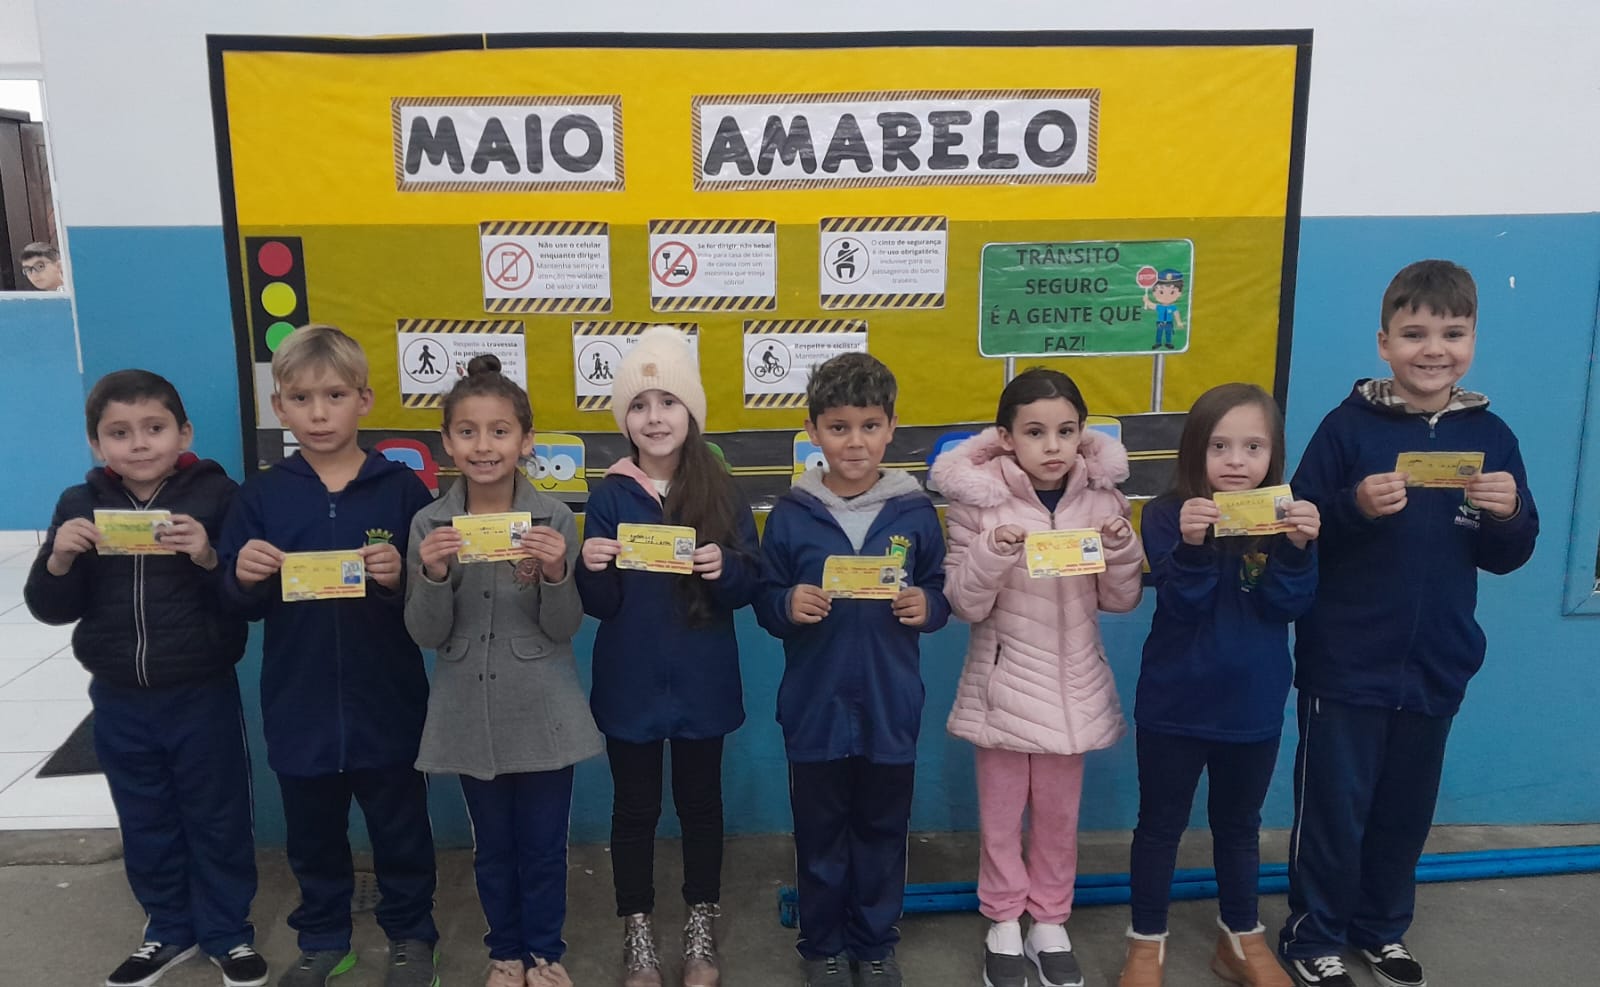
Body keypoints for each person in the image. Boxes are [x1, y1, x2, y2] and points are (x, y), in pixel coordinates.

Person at [1278, 261, 1538, 987]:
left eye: (1453, 333)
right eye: (1415, 332)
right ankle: (1312, 936)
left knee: (1405, 811)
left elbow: (1508, 555)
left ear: (1473, 340)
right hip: (1346, 662)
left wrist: (1510, 513)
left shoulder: (1493, 435)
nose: (1434, 348)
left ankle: (1382, 929)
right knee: (1333, 809)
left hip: (1437, 661)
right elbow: (1297, 526)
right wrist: (1353, 507)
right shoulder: (1345, 428)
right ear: (1384, 342)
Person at [24, 370, 266, 987]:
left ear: (183, 433)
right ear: (95, 443)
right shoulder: (78, 505)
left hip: (200, 691)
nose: (138, 443)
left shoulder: (219, 497)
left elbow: (247, 600)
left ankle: (228, 932)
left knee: (217, 815)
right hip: (118, 698)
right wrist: (59, 557)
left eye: (154, 428)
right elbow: (51, 608)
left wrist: (209, 555)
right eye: (119, 432)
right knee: (144, 816)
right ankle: (168, 928)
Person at [217, 325, 440, 987]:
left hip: (388, 700)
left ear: (363, 401)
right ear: (278, 408)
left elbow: (435, 602)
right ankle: (321, 938)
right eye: (301, 398)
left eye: (335, 395)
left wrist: (402, 576)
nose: (319, 413)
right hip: (299, 702)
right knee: (312, 834)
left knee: (402, 828)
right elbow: (236, 602)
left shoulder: (401, 490)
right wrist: (242, 576)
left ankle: (411, 936)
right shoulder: (261, 496)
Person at [930, 368, 1144, 987]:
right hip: (1002, 688)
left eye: (1066, 431)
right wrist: (993, 549)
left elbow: (1120, 599)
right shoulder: (977, 502)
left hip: (1072, 690)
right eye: (1035, 432)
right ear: (1006, 437)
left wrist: (1121, 547)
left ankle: (1049, 921)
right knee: (1000, 818)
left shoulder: (1103, 500)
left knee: (1057, 818)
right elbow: (964, 603)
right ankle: (1002, 919)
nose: (1053, 446)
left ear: (1083, 434)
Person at [404, 355, 603, 987]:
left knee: (543, 845)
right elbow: (425, 633)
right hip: (469, 710)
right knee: (492, 846)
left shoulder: (555, 519)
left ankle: (545, 952)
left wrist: (556, 572)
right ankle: (506, 952)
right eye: (467, 431)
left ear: (526, 440)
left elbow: (564, 628)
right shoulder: (429, 524)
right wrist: (433, 574)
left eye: (499, 431)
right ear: (447, 442)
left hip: (543, 709)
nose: (484, 446)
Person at [755, 352, 951, 987]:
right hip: (815, 708)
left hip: (890, 707)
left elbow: (938, 587)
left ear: (891, 428)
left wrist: (929, 606)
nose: (855, 442)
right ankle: (822, 948)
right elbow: (765, 596)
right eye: (839, 427)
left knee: (882, 833)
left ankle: (874, 945)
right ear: (813, 431)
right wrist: (787, 603)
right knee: (819, 836)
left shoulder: (914, 512)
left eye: (870, 426)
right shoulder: (792, 514)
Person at [575, 326, 760, 987]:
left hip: (703, 680)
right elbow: (599, 603)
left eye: (669, 402)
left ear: (691, 412)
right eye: (640, 405)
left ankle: (700, 926)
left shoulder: (723, 490)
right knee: (634, 809)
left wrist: (725, 566)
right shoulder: (609, 495)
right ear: (625, 419)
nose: (654, 417)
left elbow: (751, 581)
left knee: (701, 805)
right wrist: (590, 565)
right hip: (630, 682)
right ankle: (638, 931)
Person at [1119, 383, 1320, 987]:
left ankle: (1240, 937)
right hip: (1174, 703)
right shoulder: (1166, 513)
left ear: (1273, 453)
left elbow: (1286, 606)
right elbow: (1183, 604)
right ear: (1194, 451)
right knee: (1160, 826)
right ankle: (1145, 943)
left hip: (1253, 704)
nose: (1236, 461)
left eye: (1253, 447)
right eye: (1219, 446)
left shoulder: (1284, 515)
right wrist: (1192, 544)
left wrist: (1299, 549)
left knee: (1239, 826)